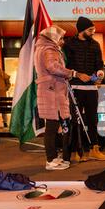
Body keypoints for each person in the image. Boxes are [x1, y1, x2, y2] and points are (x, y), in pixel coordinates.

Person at [62, 16, 105, 162]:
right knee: (76, 121)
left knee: (92, 120)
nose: (93, 32)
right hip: (75, 88)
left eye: (93, 29)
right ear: (82, 30)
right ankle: (78, 151)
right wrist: (77, 74)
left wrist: (100, 73)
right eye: (90, 29)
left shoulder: (95, 45)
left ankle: (95, 149)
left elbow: (99, 64)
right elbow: (64, 66)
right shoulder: (68, 44)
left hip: (91, 89)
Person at [35, 25, 81, 170]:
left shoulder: (43, 48)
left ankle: (54, 157)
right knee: (52, 127)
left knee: (53, 127)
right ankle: (51, 160)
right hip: (52, 91)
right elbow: (53, 67)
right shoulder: (49, 49)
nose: (63, 41)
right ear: (53, 38)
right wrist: (72, 73)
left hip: (51, 90)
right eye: (60, 38)